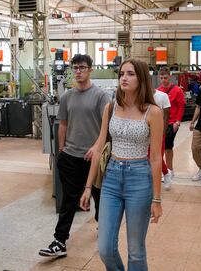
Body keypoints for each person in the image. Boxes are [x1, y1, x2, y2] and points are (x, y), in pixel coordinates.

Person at [80, 59, 163, 271]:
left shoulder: (153, 112)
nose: (124, 78)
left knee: (135, 251)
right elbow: (99, 148)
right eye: (122, 74)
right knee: (105, 248)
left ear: (141, 78)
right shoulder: (111, 107)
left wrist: (157, 199)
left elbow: (155, 158)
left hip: (139, 179)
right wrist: (88, 187)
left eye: (130, 74)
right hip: (112, 178)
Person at [38, 54, 109, 257]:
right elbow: (63, 125)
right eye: (75, 68)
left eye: (82, 67)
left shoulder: (101, 96)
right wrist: (61, 151)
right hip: (70, 157)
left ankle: (103, 227)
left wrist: (96, 147)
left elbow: (106, 128)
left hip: (93, 159)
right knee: (69, 200)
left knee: (99, 197)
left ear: (90, 69)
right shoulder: (67, 96)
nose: (78, 71)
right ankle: (59, 241)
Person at [157, 67, 186, 178]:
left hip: (172, 123)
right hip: (161, 123)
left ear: (170, 76)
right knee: (161, 148)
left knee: (168, 148)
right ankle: (164, 169)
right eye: (161, 78)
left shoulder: (177, 90)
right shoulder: (158, 90)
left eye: (165, 77)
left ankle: (170, 170)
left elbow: (181, 106)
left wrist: (177, 122)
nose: (164, 80)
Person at [153, 88, 172, 190]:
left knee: (158, 156)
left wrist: (163, 132)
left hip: (159, 131)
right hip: (145, 132)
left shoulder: (162, 96)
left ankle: (166, 173)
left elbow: (166, 116)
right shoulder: (140, 94)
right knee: (147, 157)